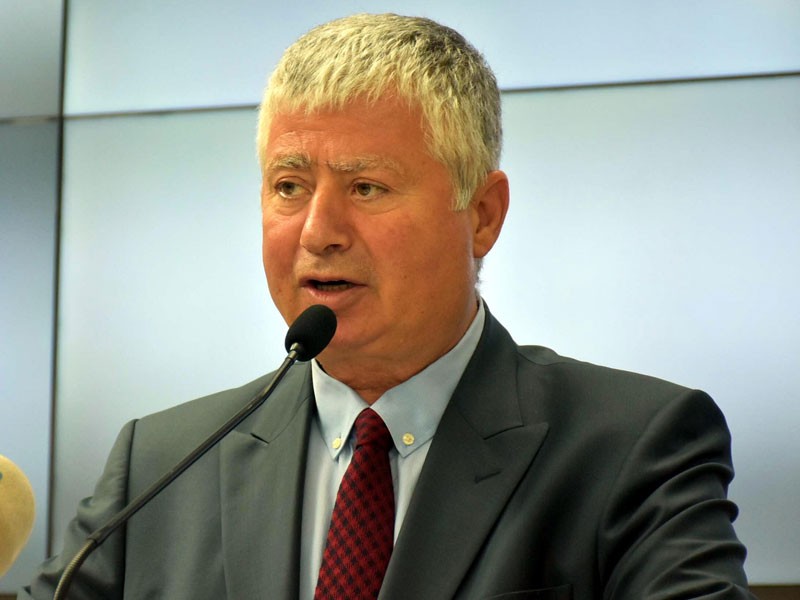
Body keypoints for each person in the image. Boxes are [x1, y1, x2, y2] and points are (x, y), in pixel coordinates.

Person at [21, 13, 754, 600]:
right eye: (288, 186)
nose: (318, 232)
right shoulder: (160, 467)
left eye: (366, 187)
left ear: (482, 216)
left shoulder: (633, 448)